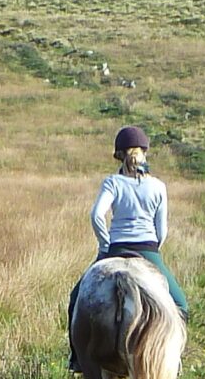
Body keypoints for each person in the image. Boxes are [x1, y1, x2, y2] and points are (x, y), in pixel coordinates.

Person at [68, 127, 189, 365]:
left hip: (115, 249)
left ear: (119, 155)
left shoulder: (113, 183)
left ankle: (76, 359)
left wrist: (105, 243)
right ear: (144, 153)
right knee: (180, 304)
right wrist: (154, 249)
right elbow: (161, 228)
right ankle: (173, 359)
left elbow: (96, 215)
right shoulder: (158, 186)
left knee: (75, 300)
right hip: (148, 251)